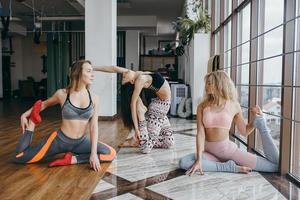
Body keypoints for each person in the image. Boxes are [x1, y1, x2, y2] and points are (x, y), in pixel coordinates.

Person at [14, 60, 116, 171]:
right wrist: (25, 115)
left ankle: (71, 160)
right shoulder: (62, 94)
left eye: (92, 71)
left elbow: (93, 126)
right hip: (59, 140)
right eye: (89, 71)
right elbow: (43, 105)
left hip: (80, 142)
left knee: (111, 153)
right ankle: (32, 124)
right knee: (20, 157)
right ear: (78, 73)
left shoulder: (95, 98)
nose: (93, 74)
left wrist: (93, 154)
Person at [179, 71, 279, 175]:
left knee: (274, 166)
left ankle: (261, 122)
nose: (206, 86)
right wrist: (199, 159)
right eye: (206, 83)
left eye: (209, 83)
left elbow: (244, 131)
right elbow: (200, 133)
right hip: (210, 153)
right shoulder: (202, 106)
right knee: (184, 163)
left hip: (230, 152)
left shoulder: (234, 105)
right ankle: (227, 167)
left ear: (219, 84)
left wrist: (255, 121)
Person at [93, 66, 174, 153]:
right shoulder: (140, 80)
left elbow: (113, 68)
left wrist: (93, 67)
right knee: (146, 148)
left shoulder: (135, 73)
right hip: (160, 106)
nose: (124, 74)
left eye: (124, 76)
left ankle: (136, 140)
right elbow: (133, 104)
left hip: (158, 101)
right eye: (124, 77)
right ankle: (141, 118)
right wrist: (137, 129)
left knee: (169, 142)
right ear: (132, 81)